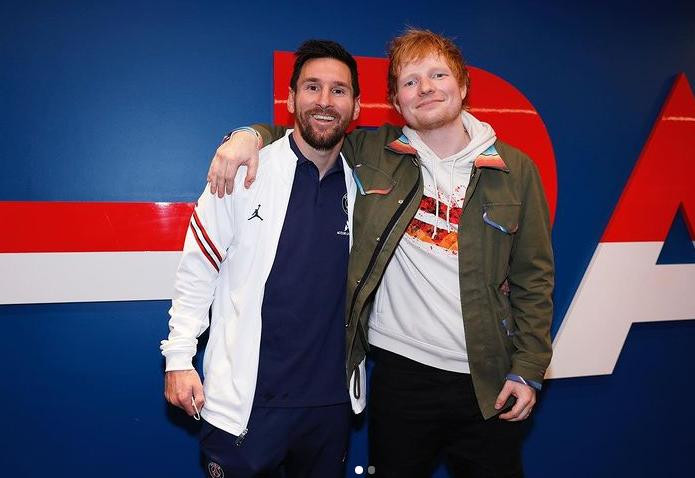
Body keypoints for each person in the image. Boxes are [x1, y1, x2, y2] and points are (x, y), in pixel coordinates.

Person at [210, 29, 554, 478]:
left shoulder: (516, 169)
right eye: (411, 81)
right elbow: (304, 133)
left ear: (463, 86)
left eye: (437, 75)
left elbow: (534, 278)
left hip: (487, 380)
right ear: (396, 99)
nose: (426, 88)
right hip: (400, 376)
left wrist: (528, 367)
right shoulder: (372, 151)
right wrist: (245, 136)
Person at [160, 39, 363, 478]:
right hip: (246, 406)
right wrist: (178, 358)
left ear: (357, 106)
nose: (324, 102)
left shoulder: (368, 186)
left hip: (330, 406)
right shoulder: (245, 170)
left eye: (338, 90)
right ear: (290, 99)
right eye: (312, 87)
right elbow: (198, 267)